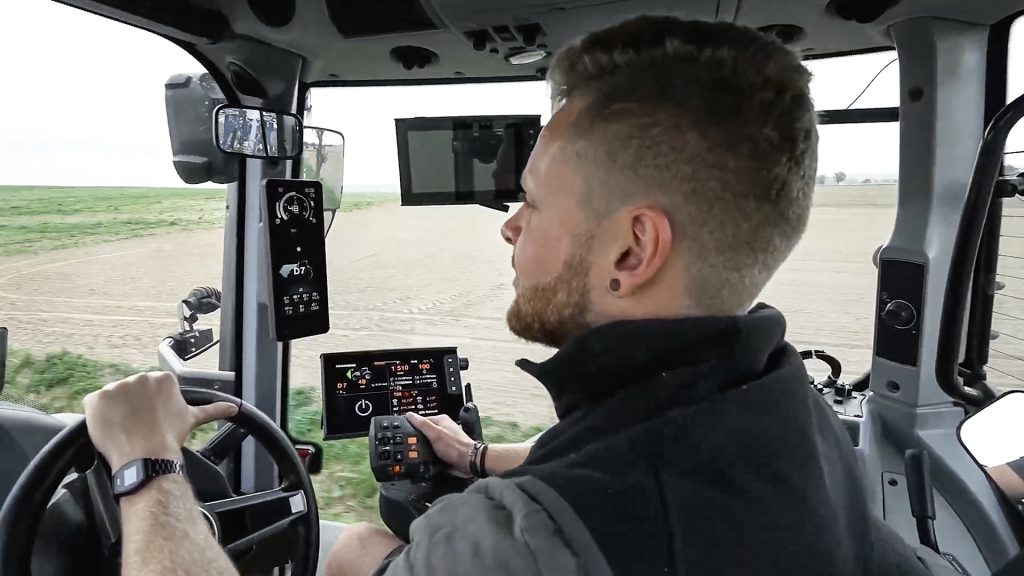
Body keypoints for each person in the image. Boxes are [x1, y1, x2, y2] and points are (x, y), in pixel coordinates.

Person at [83, 15, 940, 576]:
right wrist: (480, 457)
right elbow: (622, 446)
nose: (509, 228)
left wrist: (145, 463)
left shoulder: (524, 543)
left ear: (632, 249)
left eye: (529, 202)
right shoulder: (790, 413)